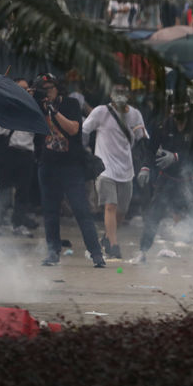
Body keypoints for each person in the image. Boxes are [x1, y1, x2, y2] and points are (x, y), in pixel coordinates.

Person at [33, 73, 106, 268]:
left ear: (57, 88)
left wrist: (52, 111)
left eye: (50, 88)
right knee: (50, 212)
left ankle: (96, 253)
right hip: (47, 165)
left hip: (71, 166)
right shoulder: (36, 106)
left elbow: (73, 129)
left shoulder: (71, 104)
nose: (47, 92)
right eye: (43, 89)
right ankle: (53, 251)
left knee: (81, 209)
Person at [131, 102, 193, 264]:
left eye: (181, 109)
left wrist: (176, 157)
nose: (177, 113)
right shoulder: (162, 126)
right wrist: (145, 167)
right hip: (167, 179)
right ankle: (142, 251)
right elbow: (150, 150)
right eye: (174, 109)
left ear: (188, 109)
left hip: (188, 181)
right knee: (153, 215)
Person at [82, 84, 148, 259]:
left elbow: (143, 139)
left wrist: (139, 135)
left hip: (126, 170)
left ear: (128, 94)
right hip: (105, 169)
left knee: (122, 211)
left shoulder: (135, 114)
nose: (119, 95)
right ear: (110, 94)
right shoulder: (100, 112)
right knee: (110, 206)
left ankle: (106, 237)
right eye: (116, 92)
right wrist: (85, 153)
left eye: (123, 92)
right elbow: (84, 130)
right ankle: (113, 245)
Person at [0, 78, 38, 235]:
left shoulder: (33, 108)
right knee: (4, 189)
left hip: (27, 153)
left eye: (28, 89)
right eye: (22, 88)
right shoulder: (4, 105)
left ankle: (18, 223)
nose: (26, 91)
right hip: (7, 151)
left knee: (23, 191)